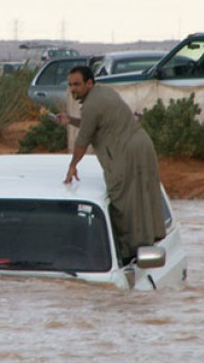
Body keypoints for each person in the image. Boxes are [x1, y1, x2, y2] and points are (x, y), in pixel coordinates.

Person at [57, 66, 165, 265]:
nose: (73, 89)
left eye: (77, 84)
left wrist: (73, 166)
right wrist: (70, 120)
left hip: (126, 152)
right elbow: (94, 123)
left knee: (121, 201)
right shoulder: (104, 93)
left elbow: (83, 140)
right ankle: (148, 240)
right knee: (142, 196)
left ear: (89, 83)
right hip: (142, 146)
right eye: (70, 85)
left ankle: (127, 255)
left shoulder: (91, 105)